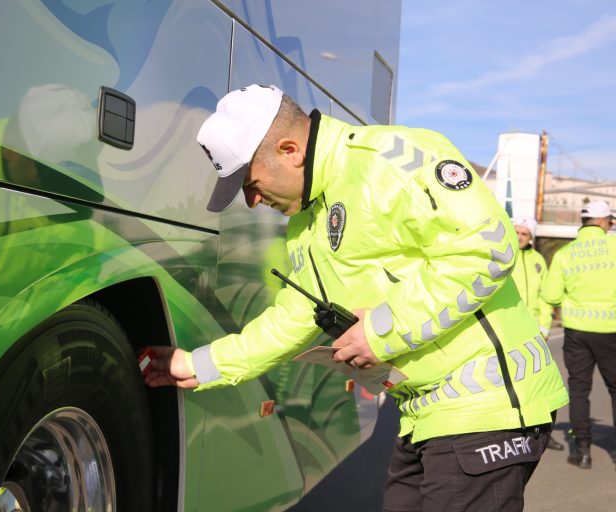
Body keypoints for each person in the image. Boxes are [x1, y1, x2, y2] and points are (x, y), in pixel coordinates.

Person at [145, 84, 568, 510]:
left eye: (251, 183)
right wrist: (200, 366)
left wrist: (381, 332)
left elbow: (487, 247)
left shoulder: (392, 158)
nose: (252, 202)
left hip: (487, 409)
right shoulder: (306, 221)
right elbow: (294, 317)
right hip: (426, 415)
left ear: (290, 150)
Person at [542, 200, 616, 469]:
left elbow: (550, 295)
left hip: (577, 331)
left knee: (579, 389)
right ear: (605, 221)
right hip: (611, 330)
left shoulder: (565, 253)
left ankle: (583, 452)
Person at [511, 217, 564, 451]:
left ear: (531, 237)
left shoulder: (538, 260)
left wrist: (544, 326)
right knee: (511, 386)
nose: (520, 236)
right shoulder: (504, 257)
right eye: (517, 232)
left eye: (524, 233)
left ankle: (541, 432)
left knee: (542, 385)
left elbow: (545, 297)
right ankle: (513, 432)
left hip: (534, 332)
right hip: (509, 331)